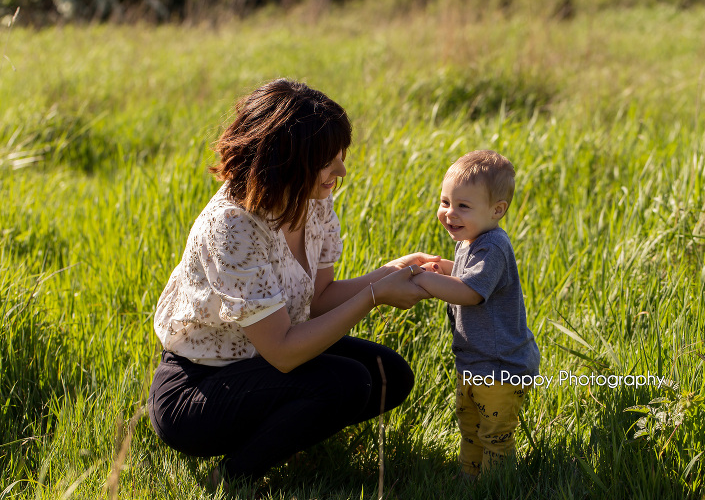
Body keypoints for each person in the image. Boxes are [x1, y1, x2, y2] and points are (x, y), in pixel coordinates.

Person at [147, 78, 440, 484]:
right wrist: (374, 295)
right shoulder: (232, 225)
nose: (341, 171)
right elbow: (284, 353)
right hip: (201, 387)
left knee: (389, 374)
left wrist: (390, 273)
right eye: (328, 160)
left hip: (261, 360)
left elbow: (319, 299)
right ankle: (232, 476)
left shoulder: (310, 200)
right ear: (287, 160)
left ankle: (280, 435)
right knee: (347, 384)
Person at [410, 150, 540, 477]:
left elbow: (470, 292)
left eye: (463, 206)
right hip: (475, 362)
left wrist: (423, 280)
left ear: (497, 210)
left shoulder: (493, 246)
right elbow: (465, 276)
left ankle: (496, 488)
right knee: (470, 428)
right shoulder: (469, 240)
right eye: (445, 202)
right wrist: (442, 269)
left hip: (500, 367)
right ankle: (470, 481)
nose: (449, 213)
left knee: (494, 436)